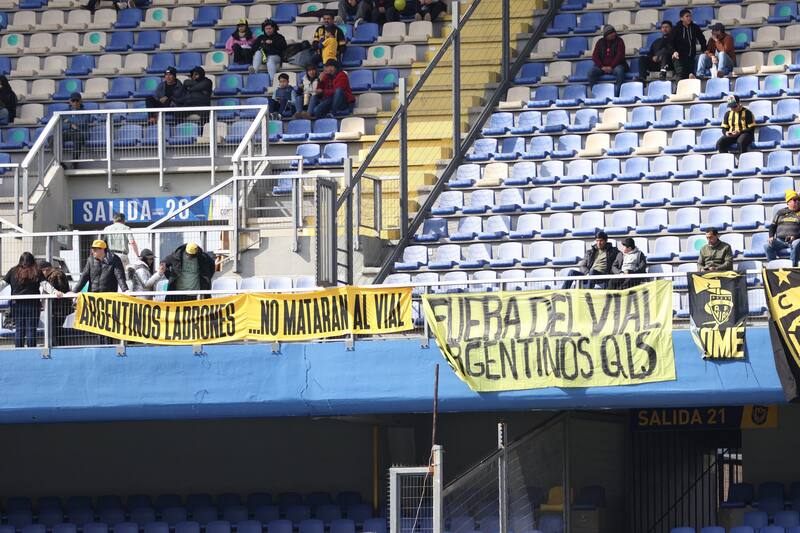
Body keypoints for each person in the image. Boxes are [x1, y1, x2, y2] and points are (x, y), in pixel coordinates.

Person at [0, 253, 50, 348]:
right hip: (33, 305)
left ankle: (18, 350)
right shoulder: (36, 271)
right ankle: (31, 350)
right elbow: (45, 285)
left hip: (17, 305)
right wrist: (56, 292)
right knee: (31, 329)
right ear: (32, 260)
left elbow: (2, 284)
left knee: (19, 329)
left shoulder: (13, 271)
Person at [39, 260, 72, 347]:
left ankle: (58, 348)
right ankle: (59, 347)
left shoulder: (55, 276)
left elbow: (57, 293)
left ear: (45, 270)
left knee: (55, 331)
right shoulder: (57, 274)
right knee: (57, 331)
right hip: (60, 308)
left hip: (57, 309)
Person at [588, 25, 628, 97]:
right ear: (606, 35)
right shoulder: (600, 42)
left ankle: (617, 95)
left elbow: (620, 56)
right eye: (611, 33)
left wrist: (611, 67)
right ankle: (595, 94)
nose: (613, 34)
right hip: (602, 67)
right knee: (591, 72)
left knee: (619, 71)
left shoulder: (620, 41)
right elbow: (595, 56)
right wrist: (602, 67)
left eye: (613, 32)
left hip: (615, 66)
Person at [764, 190, 800, 266]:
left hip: (795, 240)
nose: (797, 201)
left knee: (796, 244)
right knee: (767, 246)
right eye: (794, 200)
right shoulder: (780, 212)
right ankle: (774, 266)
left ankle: (792, 267)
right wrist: (771, 236)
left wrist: (796, 236)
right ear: (788, 202)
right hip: (780, 240)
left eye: (798, 200)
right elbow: (773, 226)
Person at [670, 9, 706, 79]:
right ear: (681, 18)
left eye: (690, 16)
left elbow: (702, 39)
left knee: (690, 76)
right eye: (687, 16)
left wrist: (704, 49)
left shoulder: (695, 27)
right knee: (680, 75)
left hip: (690, 57)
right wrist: (674, 51)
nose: (689, 18)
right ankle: (678, 87)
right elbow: (670, 42)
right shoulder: (676, 29)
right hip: (679, 57)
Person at [62, 92, 92, 164]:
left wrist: (69, 120)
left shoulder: (86, 112)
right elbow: (61, 124)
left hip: (80, 133)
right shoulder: (64, 112)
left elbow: (84, 121)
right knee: (51, 138)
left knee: (78, 137)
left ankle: (75, 163)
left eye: (77, 100)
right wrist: (70, 125)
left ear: (81, 101)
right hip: (68, 132)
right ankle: (59, 163)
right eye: (73, 101)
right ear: (70, 101)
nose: (75, 103)